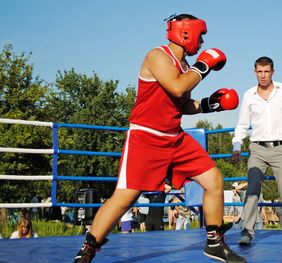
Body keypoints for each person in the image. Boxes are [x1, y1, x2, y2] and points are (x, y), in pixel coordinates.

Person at [73, 14, 245, 263]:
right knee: (125, 198)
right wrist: (205, 65)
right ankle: (88, 248)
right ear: (186, 33)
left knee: (214, 178)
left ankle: (214, 243)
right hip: (146, 137)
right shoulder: (158, 56)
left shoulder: (186, 68)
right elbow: (177, 86)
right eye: (201, 35)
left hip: (175, 138)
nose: (203, 42)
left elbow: (182, 103)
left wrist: (211, 105)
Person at [231, 56, 282, 245]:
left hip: (280, 147)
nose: (263, 75)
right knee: (252, 191)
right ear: (254, 72)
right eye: (259, 71)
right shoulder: (249, 95)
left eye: (266, 71)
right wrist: (236, 144)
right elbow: (242, 123)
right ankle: (247, 231)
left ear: (272, 72)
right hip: (257, 149)